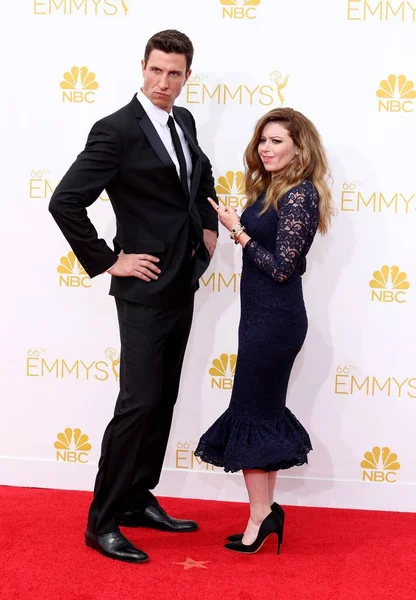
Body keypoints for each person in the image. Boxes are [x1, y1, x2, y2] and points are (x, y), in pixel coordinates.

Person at [49, 29, 218, 564]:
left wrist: (207, 228)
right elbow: (65, 201)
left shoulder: (183, 121)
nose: (164, 82)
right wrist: (107, 259)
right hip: (142, 287)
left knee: (162, 398)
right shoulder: (116, 130)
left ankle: (137, 499)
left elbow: (198, 175)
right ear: (141, 67)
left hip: (182, 280)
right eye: (156, 70)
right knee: (137, 402)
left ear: (187, 76)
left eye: (175, 74)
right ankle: (101, 521)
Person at [195, 107, 333, 554]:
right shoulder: (274, 190)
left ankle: (260, 516)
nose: (266, 148)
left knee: (251, 414)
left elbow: (281, 269)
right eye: (263, 141)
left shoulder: (299, 196)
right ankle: (266, 511)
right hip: (260, 320)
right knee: (261, 413)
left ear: (299, 146)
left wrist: (239, 233)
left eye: (276, 140)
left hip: (275, 323)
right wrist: (242, 221)